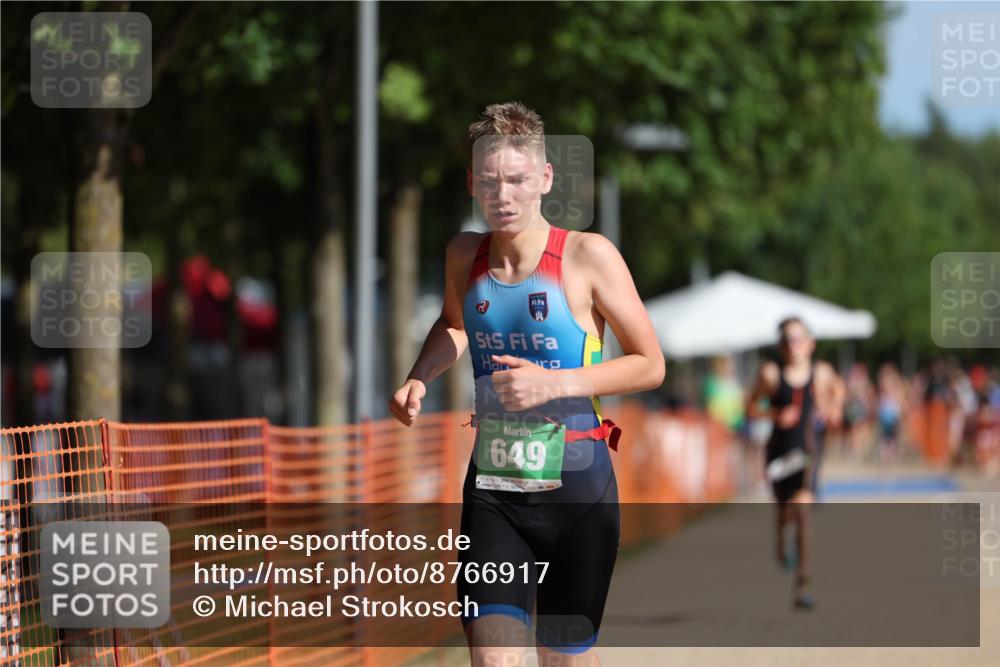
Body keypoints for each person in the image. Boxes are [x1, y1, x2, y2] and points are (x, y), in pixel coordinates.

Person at [389, 102, 665, 666]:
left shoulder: (587, 256)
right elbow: (454, 324)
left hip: (578, 494)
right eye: (489, 181)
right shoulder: (464, 255)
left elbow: (649, 363)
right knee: (494, 660)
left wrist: (553, 384)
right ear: (472, 182)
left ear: (544, 179)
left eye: (516, 179)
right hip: (494, 494)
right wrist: (419, 376)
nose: (503, 195)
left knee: (563, 660)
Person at [745, 317, 841, 611]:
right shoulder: (770, 374)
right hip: (779, 454)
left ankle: (803, 585)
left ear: (811, 344)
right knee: (785, 510)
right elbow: (749, 408)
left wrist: (832, 411)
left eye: (798, 338)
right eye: (787, 339)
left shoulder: (821, 373)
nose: (793, 345)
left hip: (808, 454)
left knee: (803, 512)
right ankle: (780, 540)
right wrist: (775, 415)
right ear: (780, 345)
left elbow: (839, 394)